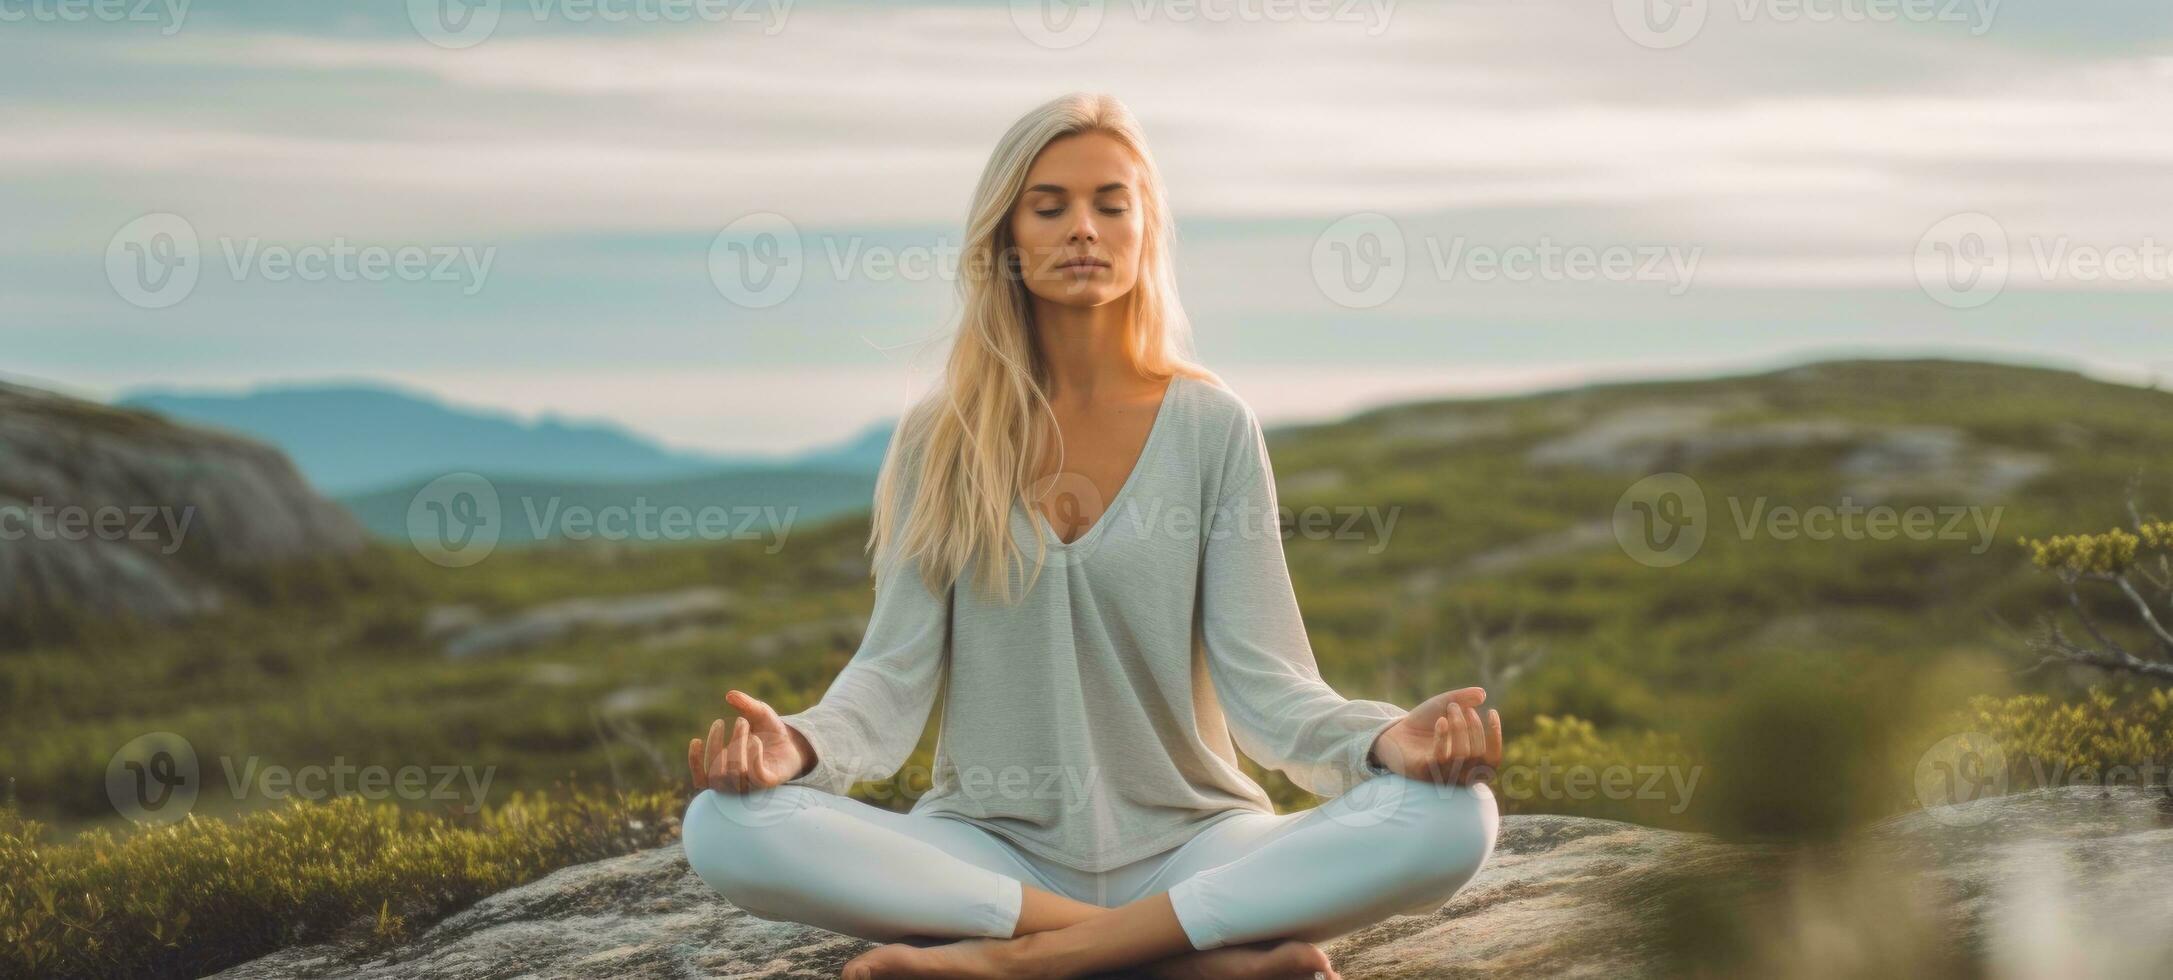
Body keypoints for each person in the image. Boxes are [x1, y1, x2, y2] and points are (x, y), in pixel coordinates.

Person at [682, 92, 1502, 980]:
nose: (1083, 228)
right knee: (723, 827)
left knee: (1455, 818)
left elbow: (1270, 687)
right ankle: (1169, 955)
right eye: (1050, 205)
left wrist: (1385, 744)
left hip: (1197, 841)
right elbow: (889, 678)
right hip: (992, 852)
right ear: (1006, 237)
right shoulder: (942, 437)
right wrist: (795, 748)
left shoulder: (1210, 426)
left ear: (1145, 228)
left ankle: (1018, 966)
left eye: (1111, 203)